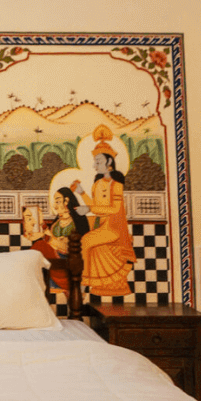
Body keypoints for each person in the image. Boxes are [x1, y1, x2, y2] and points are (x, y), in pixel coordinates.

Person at [77, 127, 134, 297]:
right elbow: (95, 206)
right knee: (83, 238)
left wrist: (89, 209)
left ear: (109, 161)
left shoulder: (116, 185)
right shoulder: (97, 184)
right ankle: (89, 283)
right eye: (94, 162)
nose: (94, 166)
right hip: (101, 226)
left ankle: (84, 283)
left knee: (86, 240)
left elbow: (114, 209)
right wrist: (82, 193)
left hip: (113, 229)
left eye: (98, 161)